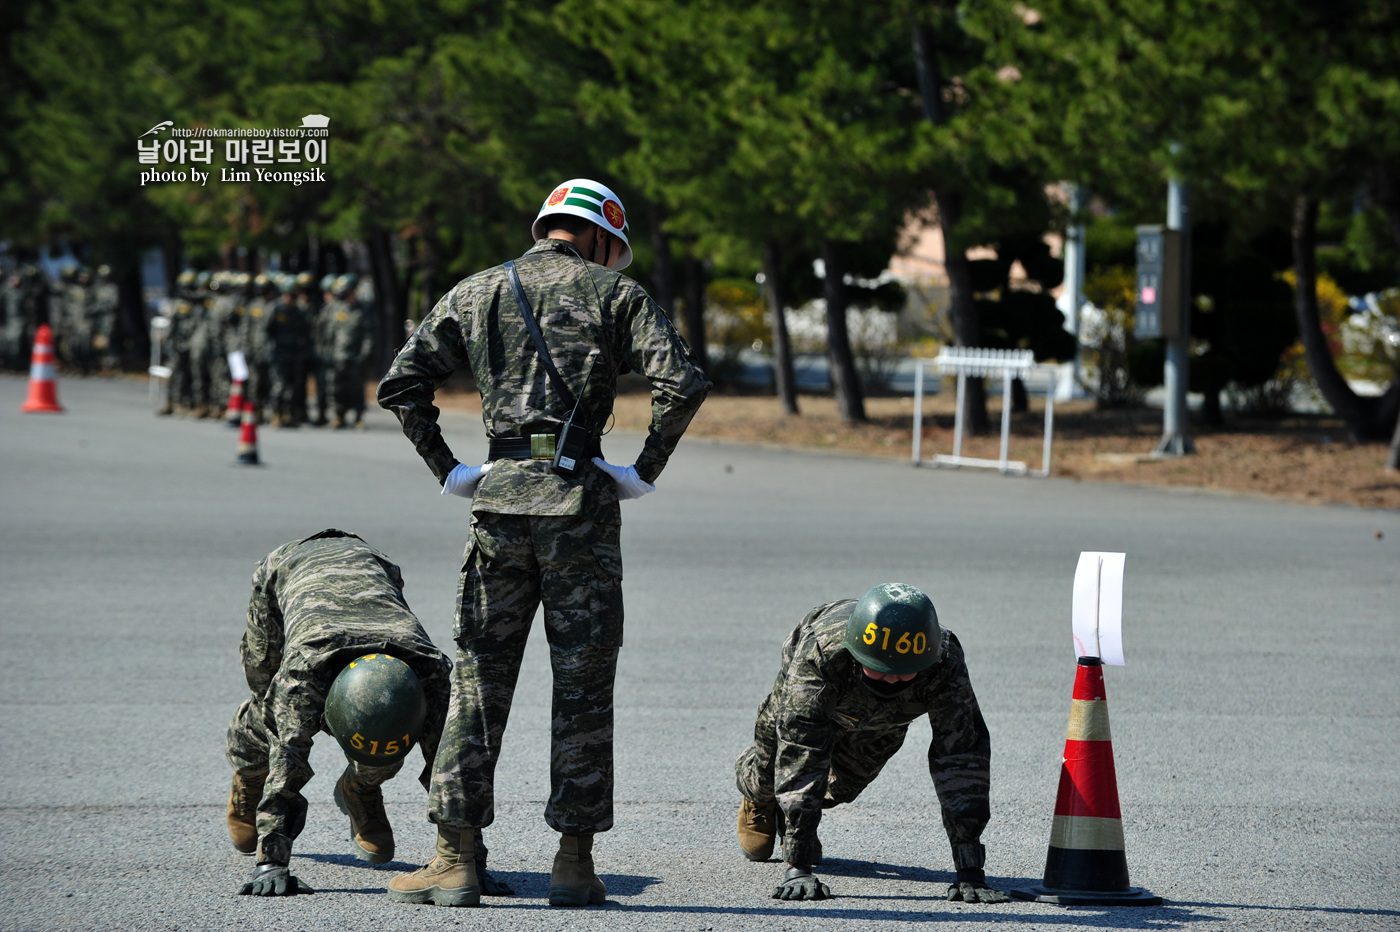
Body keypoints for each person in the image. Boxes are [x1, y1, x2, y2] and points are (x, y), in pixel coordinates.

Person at [377, 178, 710, 908]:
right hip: (582, 507)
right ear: (596, 235)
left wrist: (452, 470)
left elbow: (402, 384)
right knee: (584, 688)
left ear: (548, 225)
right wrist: (642, 471)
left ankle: (454, 858)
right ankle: (574, 863)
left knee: (477, 685)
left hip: (498, 504)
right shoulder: (614, 296)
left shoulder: (476, 291)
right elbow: (681, 383)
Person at [224, 529, 511, 898]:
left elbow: (451, 767)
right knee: (267, 704)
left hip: (375, 566)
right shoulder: (302, 676)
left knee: (389, 734)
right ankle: (247, 776)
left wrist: (472, 861)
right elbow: (287, 765)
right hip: (286, 568)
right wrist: (271, 862)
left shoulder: (429, 675)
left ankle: (359, 789)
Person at [734, 583, 1010, 905]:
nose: (892, 679)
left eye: (903, 672)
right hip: (816, 699)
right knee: (771, 772)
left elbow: (961, 755)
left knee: (843, 786)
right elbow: (802, 750)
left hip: (883, 721)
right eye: (880, 669)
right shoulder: (822, 652)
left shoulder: (943, 660)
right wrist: (799, 866)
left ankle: (792, 816)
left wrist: (970, 870)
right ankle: (761, 801)